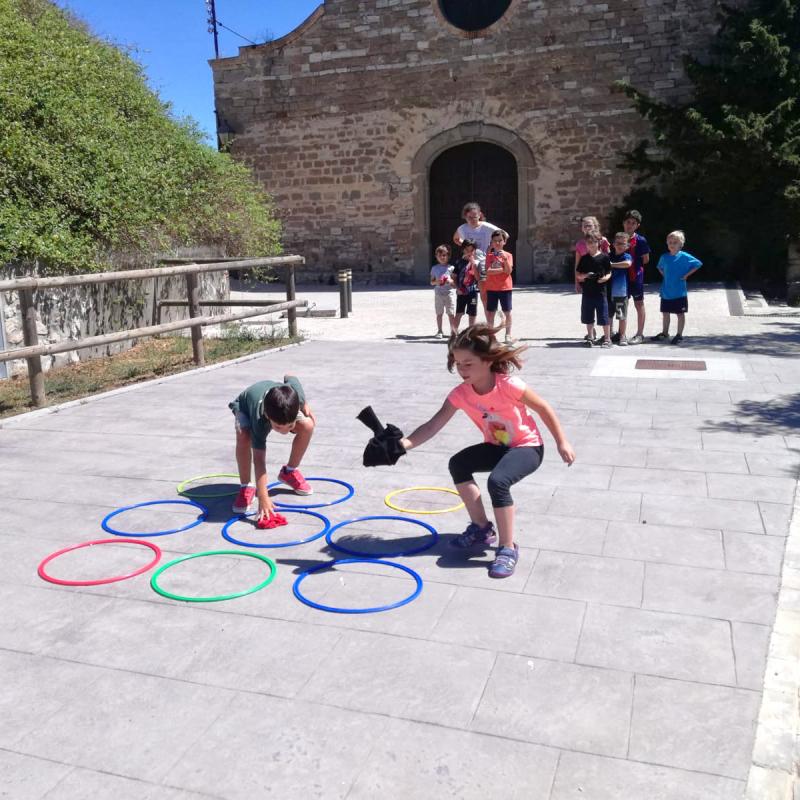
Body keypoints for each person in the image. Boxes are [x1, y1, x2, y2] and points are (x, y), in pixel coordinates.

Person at [399, 325, 575, 579]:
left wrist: (562, 442)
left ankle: (507, 547)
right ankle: (481, 528)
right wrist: (402, 445)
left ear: (487, 361)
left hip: (527, 446)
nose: (461, 370)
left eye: (468, 364)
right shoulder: (460, 394)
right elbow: (433, 424)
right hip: (497, 446)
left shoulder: (509, 385)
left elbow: (543, 407)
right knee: (458, 463)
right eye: (458, 364)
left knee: (498, 482)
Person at [229, 376, 316, 521]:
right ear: (268, 417)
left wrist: (305, 403)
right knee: (243, 435)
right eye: (278, 427)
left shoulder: (296, 397)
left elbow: (290, 377)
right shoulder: (259, 421)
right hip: (245, 406)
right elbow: (259, 460)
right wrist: (263, 497)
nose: (284, 431)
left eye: (290, 426)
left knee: (307, 425)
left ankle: (289, 472)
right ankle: (246, 486)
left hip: (278, 402)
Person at [650, 230, 702, 345]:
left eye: (675, 242)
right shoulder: (664, 257)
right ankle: (665, 333)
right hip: (666, 291)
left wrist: (686, 275)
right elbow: (659, 267)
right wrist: (666, 276)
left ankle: (679, 334)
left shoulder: (684, 256)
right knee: (665, 313)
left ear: (681, 244)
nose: (672, 245)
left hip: (679, 292)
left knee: (680, 314)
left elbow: (698, 263)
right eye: (670, 242)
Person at [453, 202, 501, 322]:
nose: (472, 219)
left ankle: (490, 325)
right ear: (465, 216)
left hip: (483, 263)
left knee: (484, 297)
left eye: (475, 217)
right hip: (468, 264)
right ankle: (464, 329)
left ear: (480, 215)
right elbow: (456, 238)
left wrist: (491, 248)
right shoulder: (462, 228)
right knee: (466, 295)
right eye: (469, 217)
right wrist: (464, 246)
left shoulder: (487, 227)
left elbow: (504, 235)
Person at [575, 231, 612, 347]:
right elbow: (578, 275)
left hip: (601, 292)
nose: (591, 244)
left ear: (599, 242)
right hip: (587, 292)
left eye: (594, 242)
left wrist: (605, 278)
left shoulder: (604, 257)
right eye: (589, 242)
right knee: (588, 317)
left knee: (604, 316)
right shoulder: (584, 259)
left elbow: (609, 272)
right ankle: (590, 337)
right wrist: (585, 276)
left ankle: (607, 338)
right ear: (586, 244)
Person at [622, 210, 651, 344]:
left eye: (633, 223)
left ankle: (640, 334)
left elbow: (646, 259)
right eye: (628, 222)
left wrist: (633, 263)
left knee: (639, 303)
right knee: (621, 303)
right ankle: (621, 333)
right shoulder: (619, 239)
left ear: (637, 226)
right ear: (623, 223)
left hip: (636, 276)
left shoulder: (641, 240)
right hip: (621, 277)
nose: (630, 225)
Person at [484, 229, 515, 343]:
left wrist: (505, 261)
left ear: (504, 242)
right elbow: (488, 271)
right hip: (491, 287)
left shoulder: (508, 255)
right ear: (492, 243)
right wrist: (502, 270)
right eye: (495, 241)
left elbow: (509, 271)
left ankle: (508, 334)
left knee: (507, 312)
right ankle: (491, 336)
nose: (497, 243)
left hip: (505, 287)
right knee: (491, 312)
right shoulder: (489, 256)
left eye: (500, 241)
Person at [573, 216, 610, 296]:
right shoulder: (579, 244)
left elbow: (609, 261)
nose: (587, 228)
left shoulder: (602, 241)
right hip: (587, 281)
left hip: (602, 279)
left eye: (589, 225)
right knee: (589, 304)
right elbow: (577, 265)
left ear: (595, 227)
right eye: (585, 226)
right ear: (582, 229)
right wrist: (577, 283)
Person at [609, 232, 633, 345]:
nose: (619, 245)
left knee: (622, 316)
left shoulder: (627, 256)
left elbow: (627, 264)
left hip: (621, 292)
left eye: (623, 243)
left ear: (627, 246)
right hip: (608, 292)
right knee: (608, 315)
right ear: (613, 244)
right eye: (617, 243)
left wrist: (611, 265)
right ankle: (608, 335)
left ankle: (622, 336)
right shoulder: (609, 256)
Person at [453, 238, 481, 331]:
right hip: (461, 291)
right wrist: (457, 288)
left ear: (475, 251)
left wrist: (473, 264)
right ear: (463, 249)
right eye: (467, 249)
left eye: (471, 250)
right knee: (459, 313)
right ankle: (454, 333)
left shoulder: (477, 263)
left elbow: (477, 278)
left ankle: (470, 333)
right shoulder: (459, 262)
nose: (469, 252)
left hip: (473, 292)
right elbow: (454, 277)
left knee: (472, 313)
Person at [430, 244, 456, 338]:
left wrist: (450, 281)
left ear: (448, 256)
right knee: (439, 313)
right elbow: (431, 282)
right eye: (440, 255)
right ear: (436, 256)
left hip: (449, 293)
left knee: (451, 313)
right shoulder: (434, 268)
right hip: (438, 293)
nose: (442, 257)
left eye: (444, 255)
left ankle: (453, 332)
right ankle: (440, 331)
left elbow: (455, 284)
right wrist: (437, 281)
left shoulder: (451, 268)